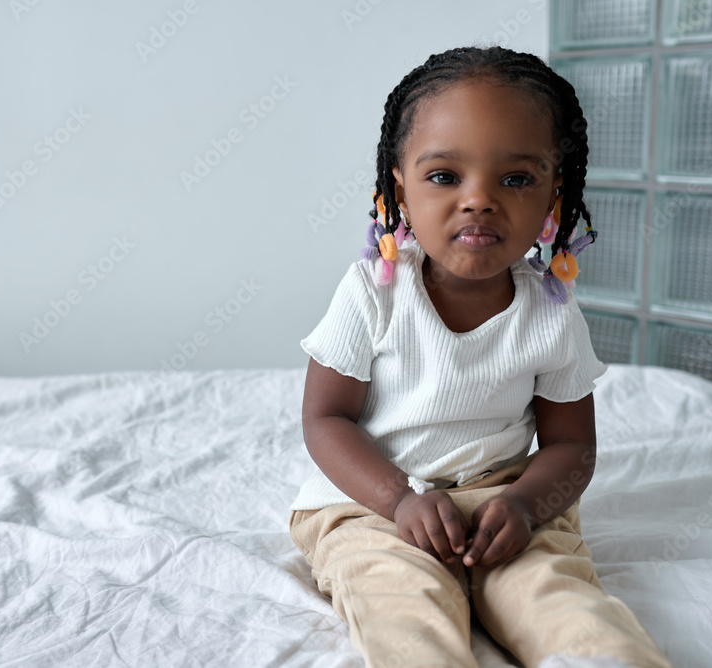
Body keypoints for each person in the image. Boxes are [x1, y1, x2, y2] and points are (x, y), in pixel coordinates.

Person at [288, 46, 673, 668]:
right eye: (445, 176)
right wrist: (400, 500)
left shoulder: (551, 311)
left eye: (516, 179)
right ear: (400, 188)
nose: (479, 200)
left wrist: (524, 505)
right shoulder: (372, 294)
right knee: (402, 608)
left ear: (553, 195)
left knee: (562, 604)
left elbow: (572, 446)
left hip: (505, 501)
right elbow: (324, 420)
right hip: (375, 502)